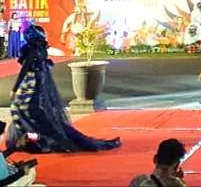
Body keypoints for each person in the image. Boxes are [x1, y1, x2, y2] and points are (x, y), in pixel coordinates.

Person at [7, 24, 121, 153]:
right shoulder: (41, 51)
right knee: (49, 123)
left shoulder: (33, 52)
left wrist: (15, 90)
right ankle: (34, 142)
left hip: (30, 94)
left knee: (43, 122)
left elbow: (24, 70)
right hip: (34, 94)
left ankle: (76, 143)